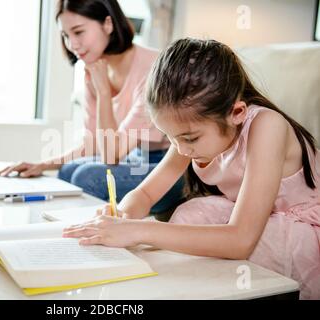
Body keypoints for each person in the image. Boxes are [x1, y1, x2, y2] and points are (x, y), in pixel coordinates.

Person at [62, 38, 320, 299]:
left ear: (237, 112)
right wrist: (122, 215)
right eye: (171, 137)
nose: (181, 149)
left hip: (302, 227)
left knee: (210, 234)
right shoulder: (185, 133)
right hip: (253, 218)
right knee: (190, 212)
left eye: (189, 139)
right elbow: (147, 194)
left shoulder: (267, 126)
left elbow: (241, 240)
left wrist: (139, 230)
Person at [0, 0, 184, 214]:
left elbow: (111, 154)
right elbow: (94, 142)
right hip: (135, 157)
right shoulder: (94, 70)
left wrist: (104, 92)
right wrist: (43, 164)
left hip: (169, 168)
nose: (72, 44)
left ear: (107, 24)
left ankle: (99, 233)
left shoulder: (152, 69)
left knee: (87, 177)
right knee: (67, 170)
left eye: (78, 32)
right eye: (66, 35)